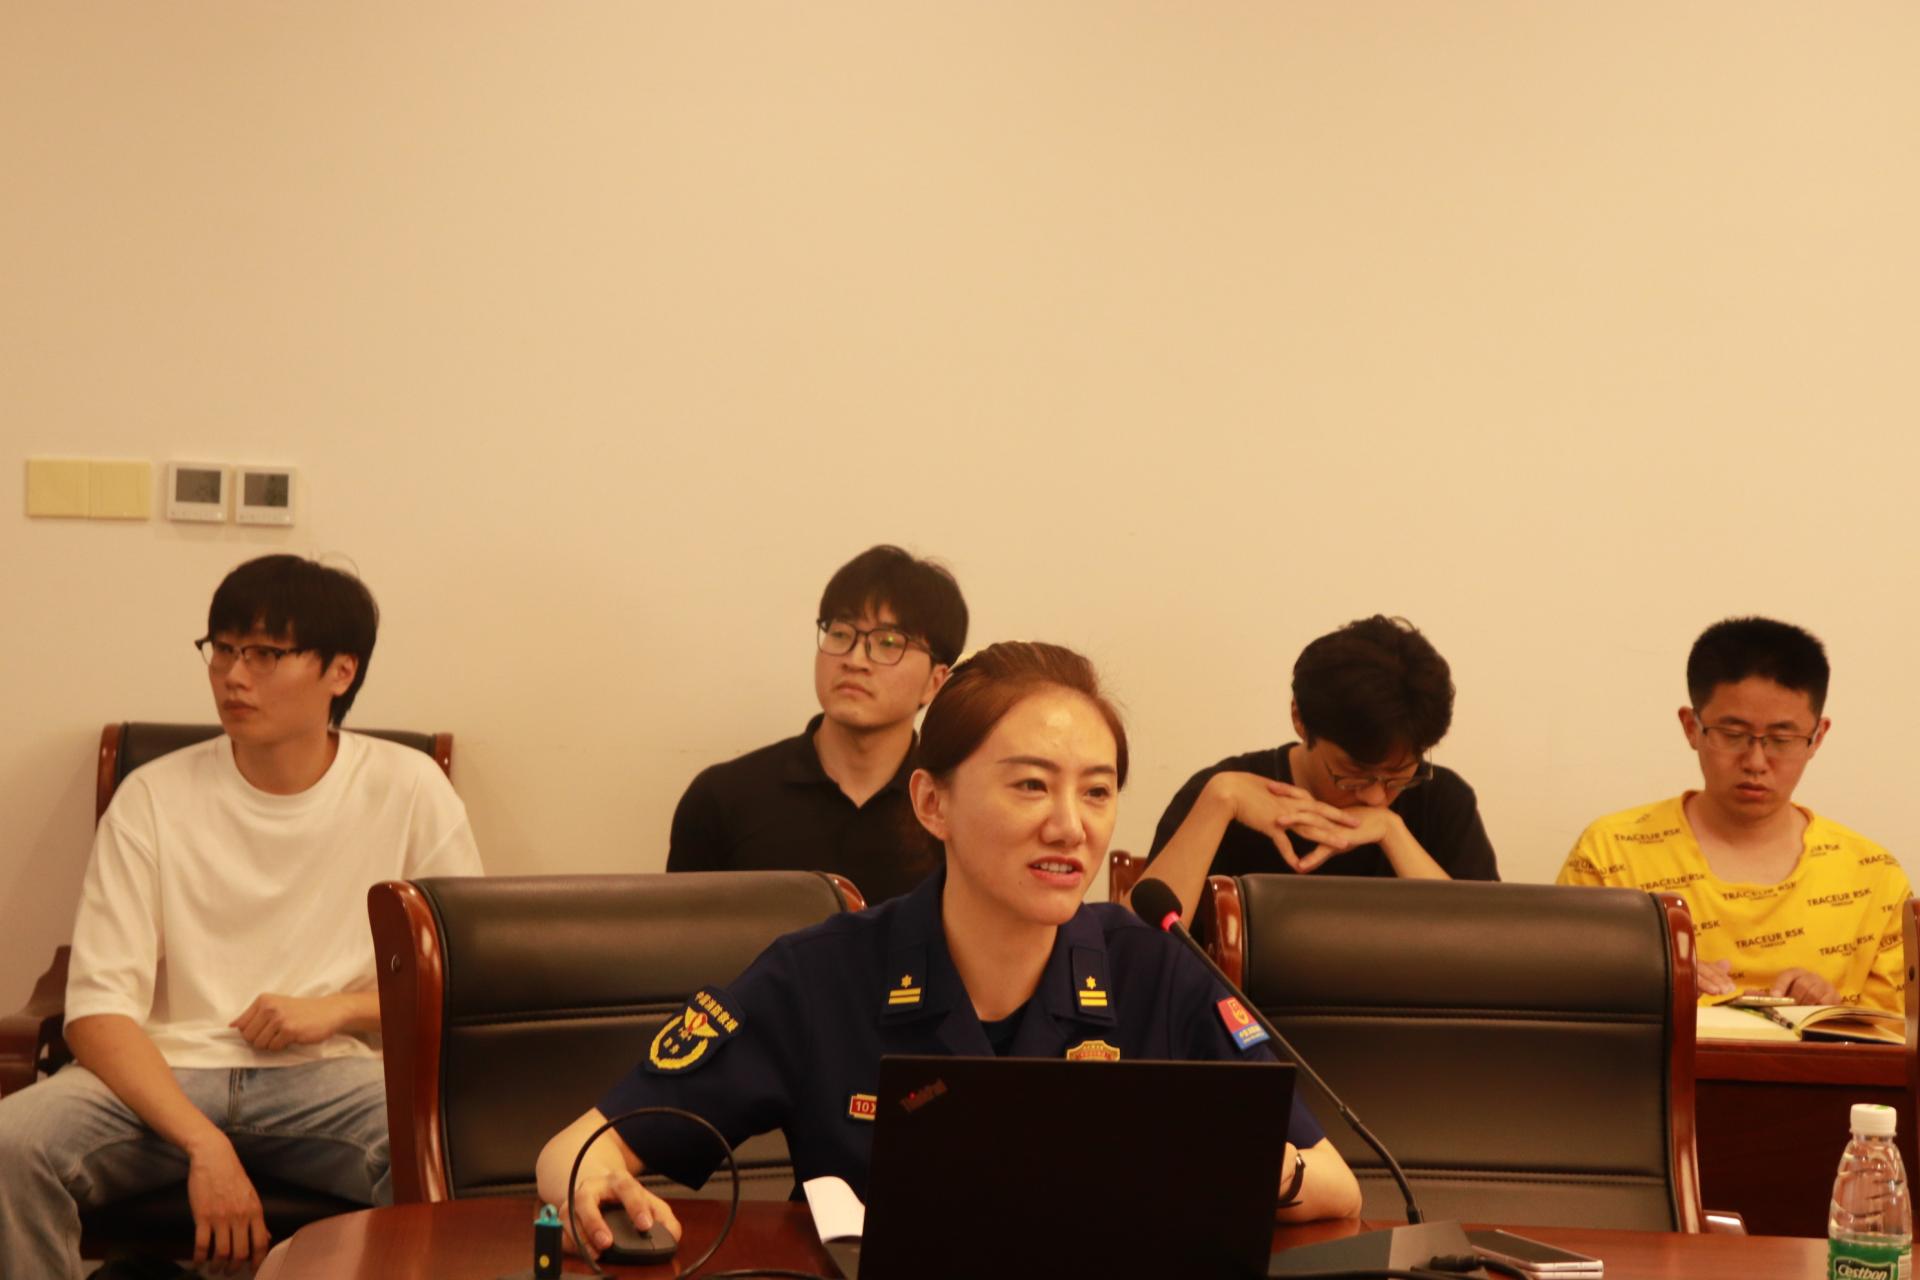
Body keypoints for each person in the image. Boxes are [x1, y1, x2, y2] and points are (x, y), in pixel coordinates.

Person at [540, 642, 1362, 1256]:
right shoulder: (821, 974)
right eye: (1031, 785)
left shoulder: (1154, 969)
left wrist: (1221, 1165)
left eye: (1098, 791)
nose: (1070, 826)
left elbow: (1336, 1186)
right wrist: (588, 1184)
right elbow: (578, 1147)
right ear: (932, 803)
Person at [0, 555, 483, 1279]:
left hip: (335, 1078)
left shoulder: (410, 789)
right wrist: (205, 1145)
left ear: (341, 671)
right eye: (222, 649)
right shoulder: (153, 796)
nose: (233, 676)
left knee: (453, 1147)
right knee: (11, 1146)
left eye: (264, 654)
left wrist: (339, 1009)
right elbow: (98, 1011)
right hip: (166, 1074)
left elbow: (460, 981)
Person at [1559, 617, 1909, 1010]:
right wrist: (1656, 989)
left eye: (1782, 739)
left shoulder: (1871, 875)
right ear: (1691, 727)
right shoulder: (1612, 853)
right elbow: (1565, 1003)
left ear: (1817, 737)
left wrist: (1834, 1012)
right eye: (1732, 735)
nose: (1756, 762)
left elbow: (1894, 1034)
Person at [1141, 615, 1498, 924]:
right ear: (1299, 719)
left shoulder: (1444, 801)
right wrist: (1219, 802)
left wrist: (1392, 833)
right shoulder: (1226, 795)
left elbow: (1491, 945)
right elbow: (1135, 951)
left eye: (1398, 775)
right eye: (1354, 772)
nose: (1376, 797)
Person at [665, 544, 968, 904]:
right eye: (840, 634)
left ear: (935, 681)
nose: (855, 659)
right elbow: (683, 934)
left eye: (888, 643)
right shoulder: (722, 797)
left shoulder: (954, 808)